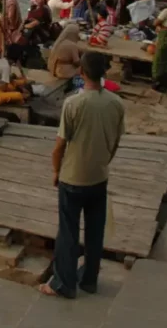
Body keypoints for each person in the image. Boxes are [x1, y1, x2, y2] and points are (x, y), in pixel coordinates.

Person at [39, 52, 124, 299]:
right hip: (99, 176)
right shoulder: (116, 103)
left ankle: (64, 284)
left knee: (68, 232)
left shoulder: (73, 104)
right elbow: (115, 142)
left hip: (73, 177)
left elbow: (59, 147)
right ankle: (89, 280)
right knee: (95, 232)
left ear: (81, 73)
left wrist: (56, 170)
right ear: (104, 73)